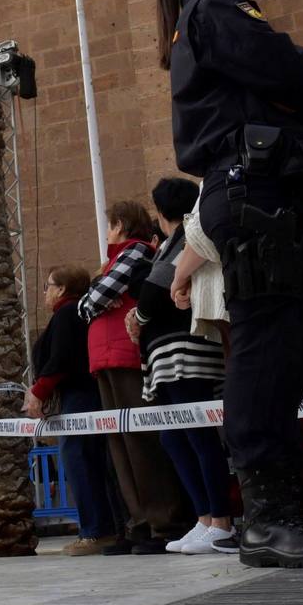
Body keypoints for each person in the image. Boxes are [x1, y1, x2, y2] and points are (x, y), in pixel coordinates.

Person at [158, 0, 303, 568]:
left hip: (264, 188)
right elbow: (292, 68)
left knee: (283, 353)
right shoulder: (215, 8)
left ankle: (283, 512)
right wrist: (300, 75)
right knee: (265, 350)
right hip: (252, 188)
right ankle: (269, 515)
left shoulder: (213, 12)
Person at [128, 177, 235, 556]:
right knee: (175, 436)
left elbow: (156, 287)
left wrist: (138, 316)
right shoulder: (171, 243)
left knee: (197, 434)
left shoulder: (186, 237)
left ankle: (220, 520)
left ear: (160, 211)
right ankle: (204, 517)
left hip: (184, 352)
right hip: (165, 355)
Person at [80, 200, 188, 555]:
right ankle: (139, 521)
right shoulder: (116, 259)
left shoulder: (134, 251)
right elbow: (90, 302)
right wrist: (95, 298)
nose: (108, 231)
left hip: (124, 356)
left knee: (142, 444)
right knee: (121, 447)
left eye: (111, 224)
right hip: (106, 359)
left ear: (123, 225)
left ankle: (165, 521)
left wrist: (96, 297)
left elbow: (96, 297)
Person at [24, 264, 119, 556]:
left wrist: (39, 392)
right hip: (80, 395)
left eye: (48, 286)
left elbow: (61, 359)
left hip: (80, 395)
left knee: (78, 458)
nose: (45, 293)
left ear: (62, 289)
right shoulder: (74, 314)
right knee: (89, 460)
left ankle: (95, 531)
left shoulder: (67, 314)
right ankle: (103, 527)